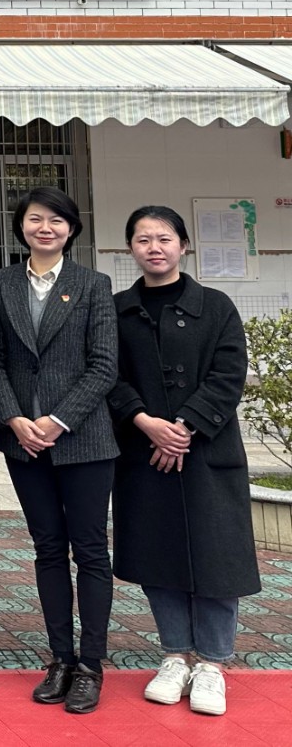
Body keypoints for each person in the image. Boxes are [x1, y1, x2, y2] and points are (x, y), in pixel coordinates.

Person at [109, 205, 260, 717]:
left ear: (183, 245)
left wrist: (184, 428)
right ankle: (174, 655)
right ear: (130, 248)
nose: (154, 247)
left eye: (164, 238)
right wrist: (146, 422)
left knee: (217, 558)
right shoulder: (117, 309)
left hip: (207, 453)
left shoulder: (215, 306)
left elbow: (228, 374)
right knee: (159, 555)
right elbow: (108, 374)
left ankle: (212, 664)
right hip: (144, 453)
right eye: (143, 239)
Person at [0, 187, 118, 714]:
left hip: (85, 442)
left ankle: (91, 665)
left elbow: (104, 365)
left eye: (56, 220)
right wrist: (14, 417)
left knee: (90, 550)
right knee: (47, 548)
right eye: (35, 219)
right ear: (21, 226)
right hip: (25, 444)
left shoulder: (93, 284)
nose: (45, 227)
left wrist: (58, 421)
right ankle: (60, 658)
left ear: (71, 229)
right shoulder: (2, 283)